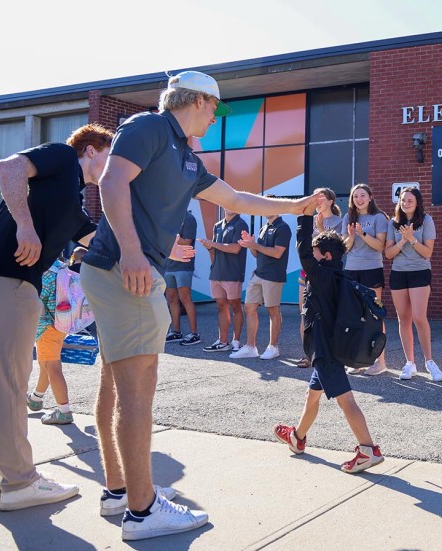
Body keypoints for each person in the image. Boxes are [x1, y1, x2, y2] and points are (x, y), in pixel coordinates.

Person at [79, 70, 324, 540]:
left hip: (123, 269)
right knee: (137, 390)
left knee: (118, 382)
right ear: (194, 101)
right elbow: (111, 185)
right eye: (214, 108)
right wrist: (133, 253)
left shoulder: (186, 156)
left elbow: (235, 197)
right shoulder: (149, 127)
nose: (215, 118)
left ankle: (119, 492)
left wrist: (296, 206)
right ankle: (143, 510)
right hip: (123, 268)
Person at [0, 123, 111, 510]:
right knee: (10, 384)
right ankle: (21, 483)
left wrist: (160, 249)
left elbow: (101, 243)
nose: (115, 164)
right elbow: (8, 167)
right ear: (91, 150)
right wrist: (25, 225)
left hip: (15, 286)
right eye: (111, 154)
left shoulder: (73, 202)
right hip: (5, 278)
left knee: (11, 382)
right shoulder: (62, 156)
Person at [272, 223, 384, 473]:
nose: (311, 257)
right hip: (326, 348)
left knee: (346, 400)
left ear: (327, 256)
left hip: (326, 351)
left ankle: (368, 450)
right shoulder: (335, 274)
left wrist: (304, 217)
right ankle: (297, 438)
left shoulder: (322, 276)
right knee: (312, 395)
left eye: (315, 253)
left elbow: (302, 251)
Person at [385, 186, 442, 382]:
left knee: (419, 317)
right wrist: (402, 241)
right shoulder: (393, 223)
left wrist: (412, 239)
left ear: (417, 202)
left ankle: (429, 361)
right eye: (403, 200)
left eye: (410, 200)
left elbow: (428, 253)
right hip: (398, 274)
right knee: (404, 319)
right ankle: (410, 363)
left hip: (419, 272)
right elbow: (388, 254)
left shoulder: (426, 220)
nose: (406, 203)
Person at [342, 183, 390, 375]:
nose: (359, 200)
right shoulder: (348, 217)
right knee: (355, 316)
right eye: (355, 197)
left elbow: (380, 246)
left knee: (374, 315)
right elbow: (345, 247)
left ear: (370, 197)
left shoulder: (379, 217)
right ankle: (359, 359)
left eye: (362, 195)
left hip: (372, 269)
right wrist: (353, 236)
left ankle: (380, 361)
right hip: (352, 269)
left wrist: (362, 234)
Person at [231, 212, 292, 360]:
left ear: (276, 208)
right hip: (259, 273)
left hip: (273, 275)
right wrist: (250, 244)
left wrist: (255, 245)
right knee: (249, 307)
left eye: (268, 206)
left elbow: (277, 253)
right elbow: (257, 254)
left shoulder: (283, 228)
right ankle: (250, 347)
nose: (264, 209)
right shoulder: (263, 228)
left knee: (273, 310)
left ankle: (273, 347)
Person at [26, 257, 76, 425]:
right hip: (61, 322)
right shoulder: (57, 266)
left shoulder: (42, 271)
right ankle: (35, 398)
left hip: (47, 326)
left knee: (52, 366)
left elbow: (35, 301)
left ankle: (64, 411)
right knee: (45, 364)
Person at [297, 187, 343, 369]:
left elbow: (338, 248)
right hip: (306, 273)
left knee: (325, 315)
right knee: (305, 314)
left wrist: (322, 228)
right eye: (314, 197)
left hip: (325, 276)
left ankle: (328, 353)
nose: (317, 200)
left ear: (331, 201)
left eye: (321, 198)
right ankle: (308, 354)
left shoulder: (339, 221)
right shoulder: (310, 220)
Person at [199, 208, 248, 353]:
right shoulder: (217, 225)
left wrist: (213, 244)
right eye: (227, 203)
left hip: (232, 272)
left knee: (235, 306)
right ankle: (222, 341)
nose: (229, 206)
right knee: (221, 306)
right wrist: (209, 247)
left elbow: (235, 248)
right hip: (216, 272)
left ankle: (236, 342)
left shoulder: (241, 224)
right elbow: (215, 250)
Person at [164, 210, 200, 346]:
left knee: (185, 299)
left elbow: (187, 241)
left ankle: (194, 334)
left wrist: (168, 241)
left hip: (183, 265)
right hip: (168, 265)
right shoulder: (168, 217)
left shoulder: (189, 218)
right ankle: (176, 332)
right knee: (172, 298)